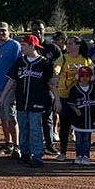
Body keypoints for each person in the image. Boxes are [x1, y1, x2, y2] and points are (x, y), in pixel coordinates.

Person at [0, 35, 59, 167]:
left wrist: (57, 100)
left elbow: (52, 83)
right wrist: (3, 96)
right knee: (23, 128)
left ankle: (37, 156)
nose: (22, 48)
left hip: (38, 101)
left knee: (35, 129)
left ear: (32, 46)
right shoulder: (20, 62)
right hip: (21, 101)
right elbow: (12, 80)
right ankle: (25, 153)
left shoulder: (45, 63)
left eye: (24, 45)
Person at [54, 36, 92, 162]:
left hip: (80, 97)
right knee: (64, 125)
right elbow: (56, 69)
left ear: (78, 45)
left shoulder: (85, 59)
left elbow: (93, 72)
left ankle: (82, 154)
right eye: (67, 43)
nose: (68, 46)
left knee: (81, 126)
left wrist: (81, 70)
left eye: (71, 43)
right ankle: (63, 152)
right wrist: (56, 72)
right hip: (65, 96)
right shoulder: (63, 58)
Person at [0, 22, 21, 155]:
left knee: (11, 116)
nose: (1, 33)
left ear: (9, 32)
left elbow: (19, 65)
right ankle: (8, 142)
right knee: (2, 116)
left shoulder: (14, 45)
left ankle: (16, 144)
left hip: (10, 87)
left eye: (4, 31)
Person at [30, 20, 62, 155]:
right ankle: (34, 145)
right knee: (32, 118)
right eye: (35, 29)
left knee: (48, 117)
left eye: (40, 29)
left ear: (44, 30)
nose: (38, 31)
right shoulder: (30, 46)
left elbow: (61, 63)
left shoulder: (52, 48)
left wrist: (56, 74)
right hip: (32, 87)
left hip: (48, 87)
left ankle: (49, 144)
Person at [67, 66, 95, 165]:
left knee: (87, 138)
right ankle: (79, 155)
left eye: (87, 76)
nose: (85, 78)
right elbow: (71, 103)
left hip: (90, 118)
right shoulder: (75, 89)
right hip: (78, 119)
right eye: (82, 76)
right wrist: (76, 110)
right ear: (78, 77)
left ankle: (86, 156)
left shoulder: (93, 89)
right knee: (79, 138)